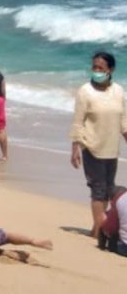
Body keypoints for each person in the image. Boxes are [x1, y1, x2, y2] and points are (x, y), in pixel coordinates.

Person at [70, 52, 127, 239]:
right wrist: (75, 148)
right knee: (98, 189)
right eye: (94, 67)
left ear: (110, 70)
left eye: (101, 68)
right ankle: (99, 231)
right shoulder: (85, 91)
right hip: (92, 147)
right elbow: (78, 121)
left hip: (111, 149)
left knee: (108, 188)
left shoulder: (118, 91)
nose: (97, 71)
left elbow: (124, 122)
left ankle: (98, 228)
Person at [99, 186, 127, 255]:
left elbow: (110, 228)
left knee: (105, 221)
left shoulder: (118, 200)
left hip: (124, 248)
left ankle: (101, 246)